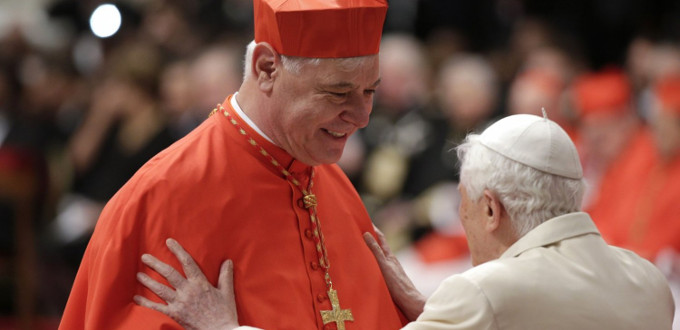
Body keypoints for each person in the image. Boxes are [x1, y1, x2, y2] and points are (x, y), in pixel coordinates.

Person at [134, 113, 675, 329]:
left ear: (491, 208)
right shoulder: (649, 283)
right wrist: (429, 311)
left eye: (465, 210)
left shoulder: (483, 294)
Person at [59, 0, 410, 329]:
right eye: (338, 93)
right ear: (267, 68)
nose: (363, 117)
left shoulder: (337, 187)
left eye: (370, 92)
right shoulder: (162, 196)